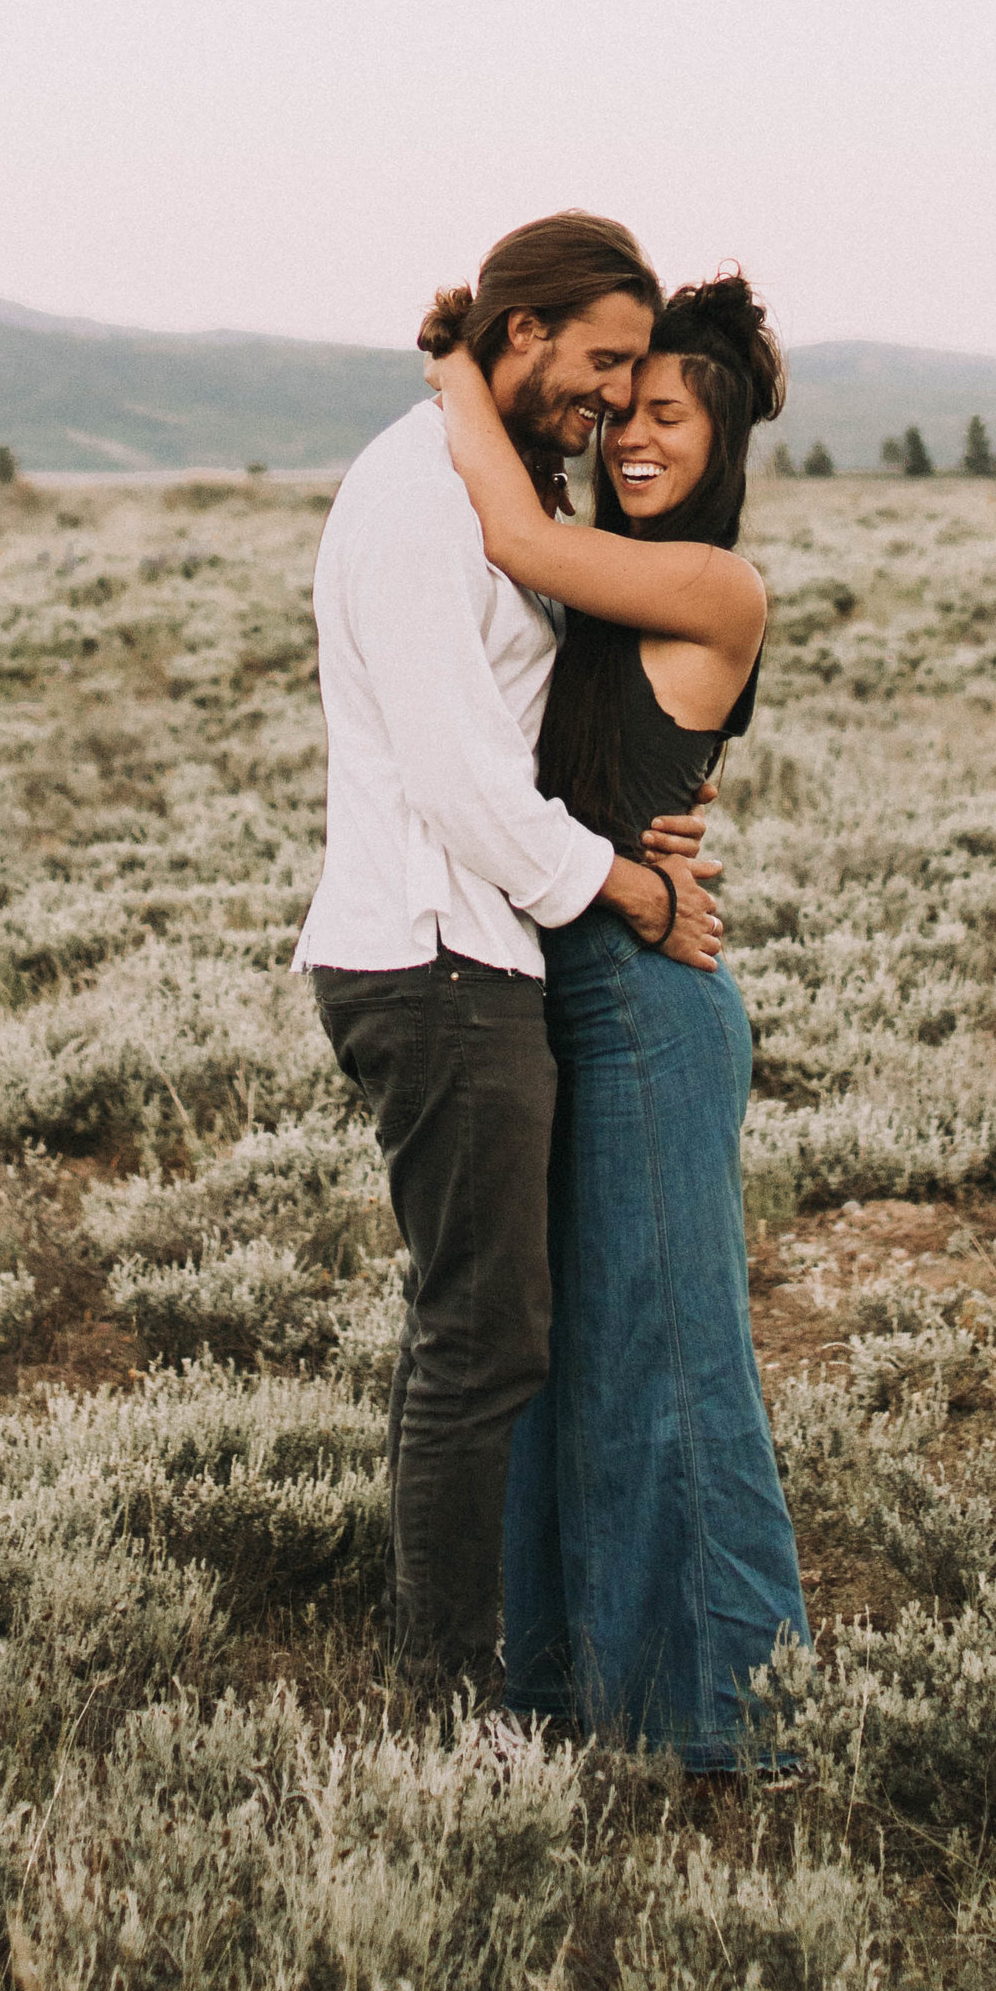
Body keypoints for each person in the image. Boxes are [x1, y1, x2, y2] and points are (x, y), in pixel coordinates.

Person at [293, 212, 725, 1704]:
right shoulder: (420, 493)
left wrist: (644, 816)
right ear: (523, 328)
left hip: (476, 951)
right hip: (436, 956)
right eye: (603, 362)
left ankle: (459, 1654)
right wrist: (633, 890)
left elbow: (542, 714)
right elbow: (466, 777)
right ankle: (442, 1688)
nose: (612, 399)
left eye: (640, 378)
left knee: (470, 1328)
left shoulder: (482, 471)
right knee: (482, 1340)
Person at [429, 270, 811, 1768]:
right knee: (551, 1353)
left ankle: (728, 1723)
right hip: (555, 984)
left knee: (671, 1350)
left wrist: (460, 359)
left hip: (649, 1007)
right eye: (626, 409)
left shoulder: (718, 586)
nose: (637, 435)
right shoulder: (601, 567)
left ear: (722, 446)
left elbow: (515, 531)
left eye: (669, 417)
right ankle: (571, 1688)